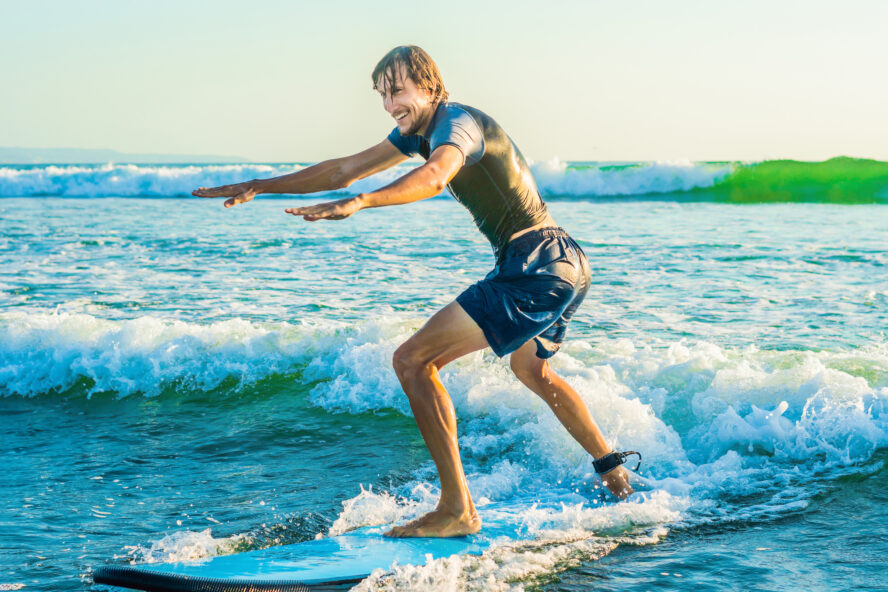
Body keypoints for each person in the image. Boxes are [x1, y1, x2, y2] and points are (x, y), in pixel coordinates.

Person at [193, 45, 636, 538]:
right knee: (532, 370)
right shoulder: (419, 131)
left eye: (398, 91)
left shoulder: (458, 125)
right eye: (382, 95)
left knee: (412, 360)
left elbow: (434, 175)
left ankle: (457, 510)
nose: (389, 105)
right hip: (562, 261)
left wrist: (363, 202)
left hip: (537, 265)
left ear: (429, 87)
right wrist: (261, 184)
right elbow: (342, 169)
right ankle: (616, 476)